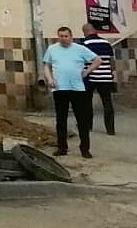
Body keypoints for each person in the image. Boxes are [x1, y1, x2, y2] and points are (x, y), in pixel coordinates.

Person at [43, 25, 100, 158]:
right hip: (59, 88)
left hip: (77, 88)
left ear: (71, 37)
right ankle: (62, 147)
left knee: (82, 119)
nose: (63, 39)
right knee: (61, 119)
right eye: (61, 36)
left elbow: (97, 60)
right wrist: (50, 78)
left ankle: (85, 148)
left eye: (66, 36)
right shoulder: (52, 49)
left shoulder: (79, 49)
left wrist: (87, 71)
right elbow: (47, 65)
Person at [79, 23, 116, 135]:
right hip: (105, 77)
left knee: (87, 102)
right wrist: (110, 73)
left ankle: (88, 125)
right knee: (107, 102)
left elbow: (81, 62)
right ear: (94, 30)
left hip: (90, 77)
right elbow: (111, 61)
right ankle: (110, 129)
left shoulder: (84, 44)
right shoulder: (106, 43)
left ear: (85, 32)